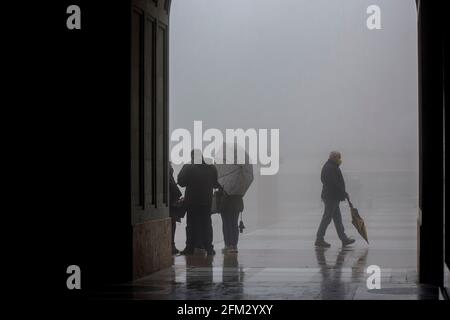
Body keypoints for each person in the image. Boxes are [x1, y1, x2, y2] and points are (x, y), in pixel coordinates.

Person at [177, 149, 220, 256]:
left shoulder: (188, 167)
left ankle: (190, 247)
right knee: (206, 224)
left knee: (191, 225)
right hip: (206, 201)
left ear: (192, 157)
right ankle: (209, 248)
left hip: (192, 202)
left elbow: (181, 182)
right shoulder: (211, 168)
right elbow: (216, 184)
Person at [315, 151, 355, 248]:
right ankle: (319, 239)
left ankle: (344, 239)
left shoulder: (331, 167)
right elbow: (334, 183)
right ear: (333, 158)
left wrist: (342, 193)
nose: (340, 160)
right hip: (331, 197)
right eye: (338, 157)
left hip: (332, 197)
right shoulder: (330, 168)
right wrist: (343, 193)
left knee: (337, 219)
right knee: (327, 218)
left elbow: (334, 183)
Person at [169, 162, 183, 255]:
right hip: (172, 204)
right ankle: (171, 245)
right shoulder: (169, 177)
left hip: (170, 203)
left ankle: (171, 245)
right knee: (172, 225)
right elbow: (175, 190)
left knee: (172, 225)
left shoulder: (169, 176)